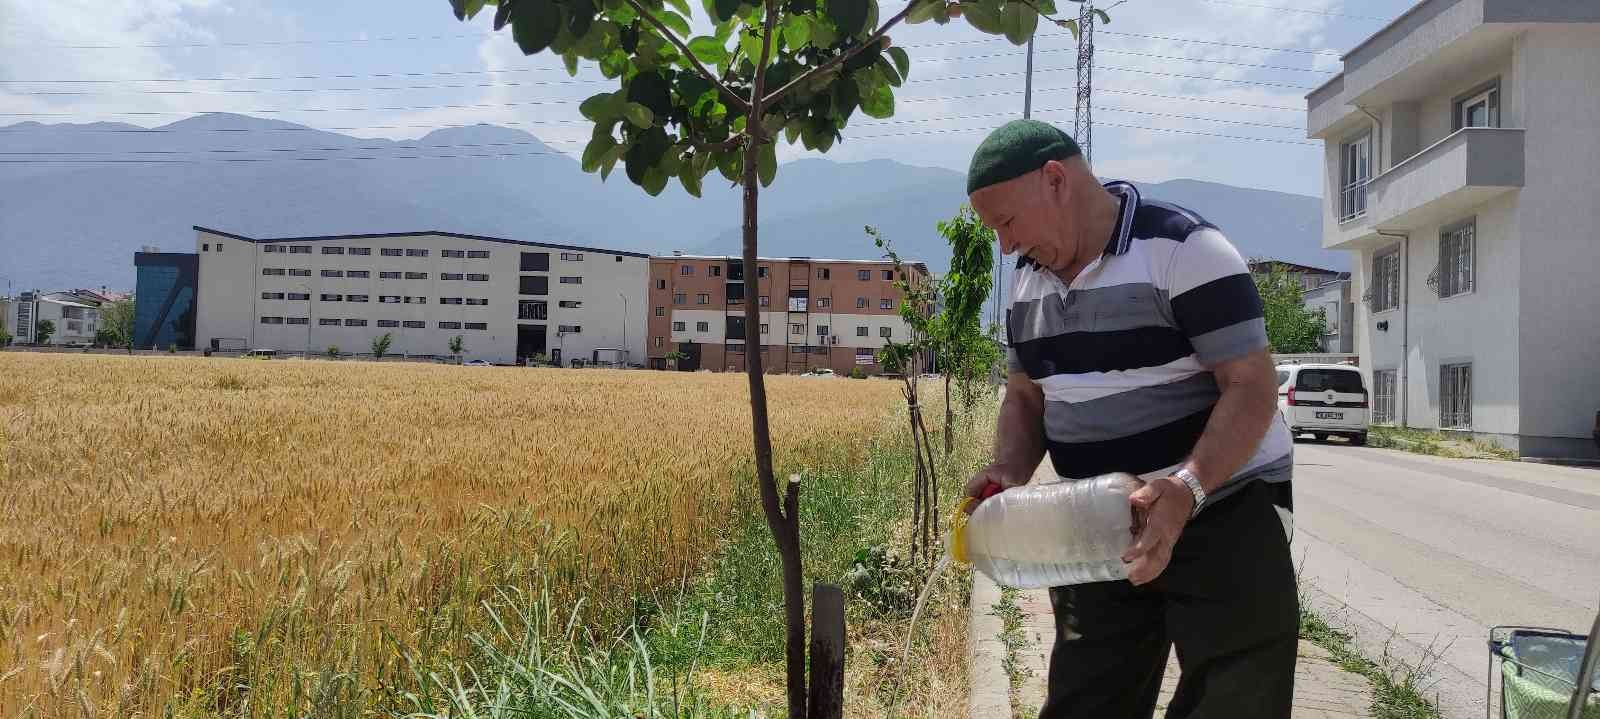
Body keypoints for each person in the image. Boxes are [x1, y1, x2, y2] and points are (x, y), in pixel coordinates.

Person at [963, 119, 1298, 718]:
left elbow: (1251, 388)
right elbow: (1026, 396)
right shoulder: (1025, 283)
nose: (1005, 246)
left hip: (1222, 512)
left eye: (1006, 223)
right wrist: (1009, 471)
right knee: (1087, 701)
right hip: (1098, 520)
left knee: (1234, 696)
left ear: (1056, 181)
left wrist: (1186, 488)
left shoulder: (1184, 248)